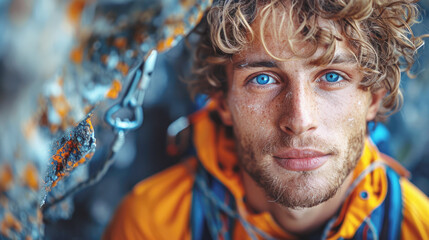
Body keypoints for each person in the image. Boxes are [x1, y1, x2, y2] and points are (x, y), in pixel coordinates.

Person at [104, 0, 429, 239]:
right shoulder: (150, 226)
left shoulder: (418, 228)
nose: (299, 120)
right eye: (262, 79)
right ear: (222, 101)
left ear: (373, 98)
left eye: (331, 76)